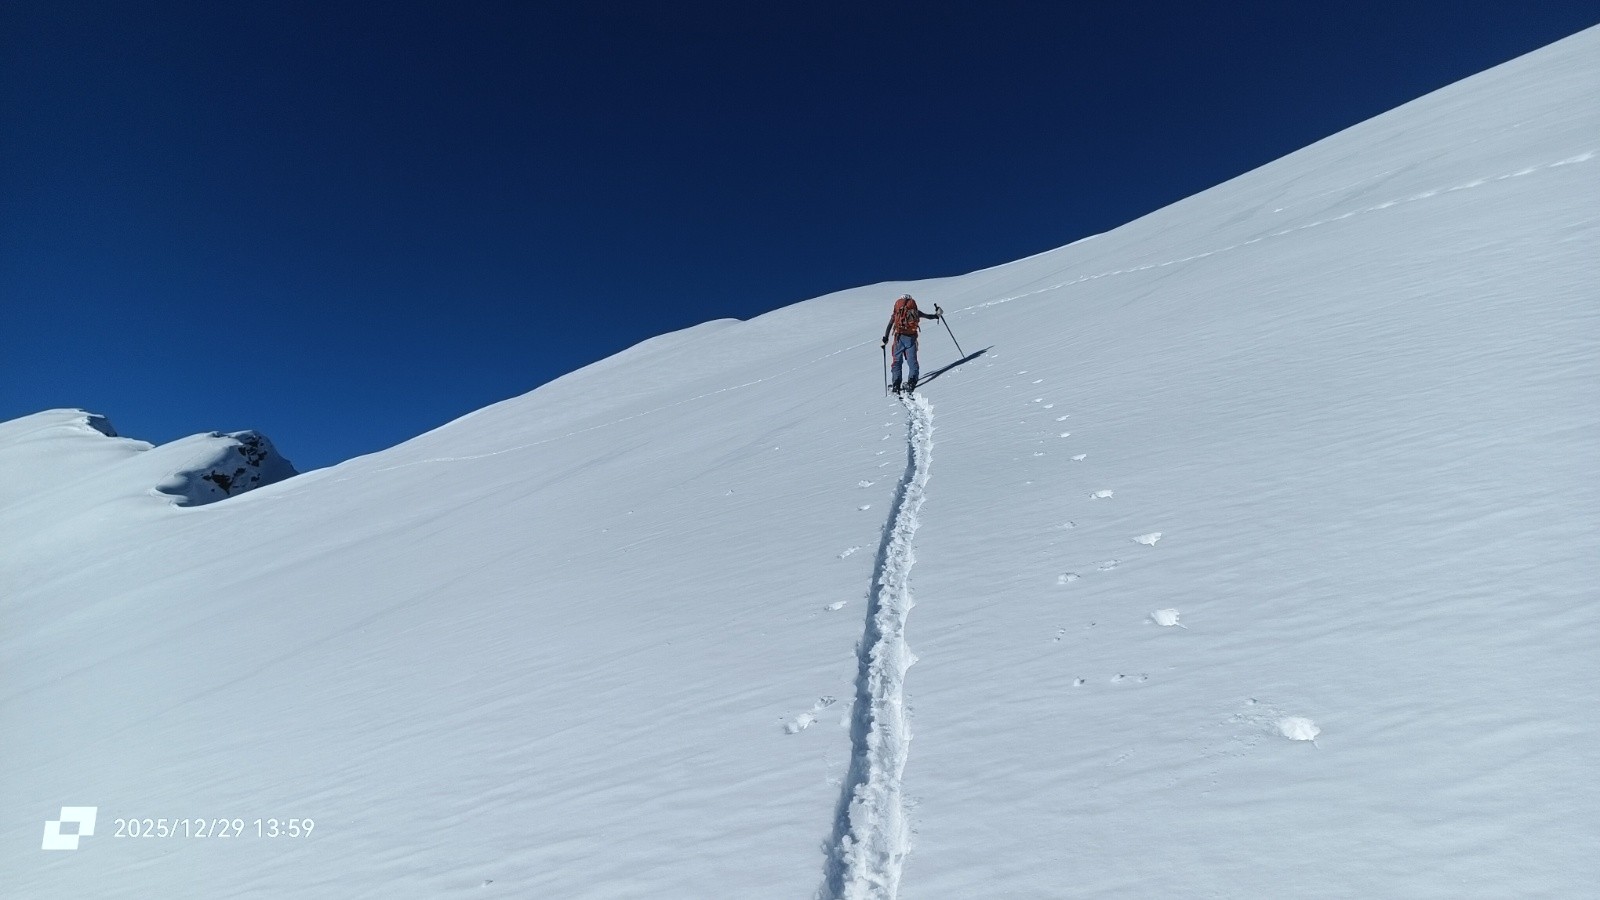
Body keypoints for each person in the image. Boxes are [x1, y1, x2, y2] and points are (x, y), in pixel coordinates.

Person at [880, 293, 942, 394]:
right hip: (911, 339)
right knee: (912, 361)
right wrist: (937, 315)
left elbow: (890, 325)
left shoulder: (897, 313)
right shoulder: (915, 311)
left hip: (899, 339)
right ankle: (912, 382)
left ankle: (896, 384)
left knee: (896, 362)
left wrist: (885, 338)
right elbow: (929, 316)